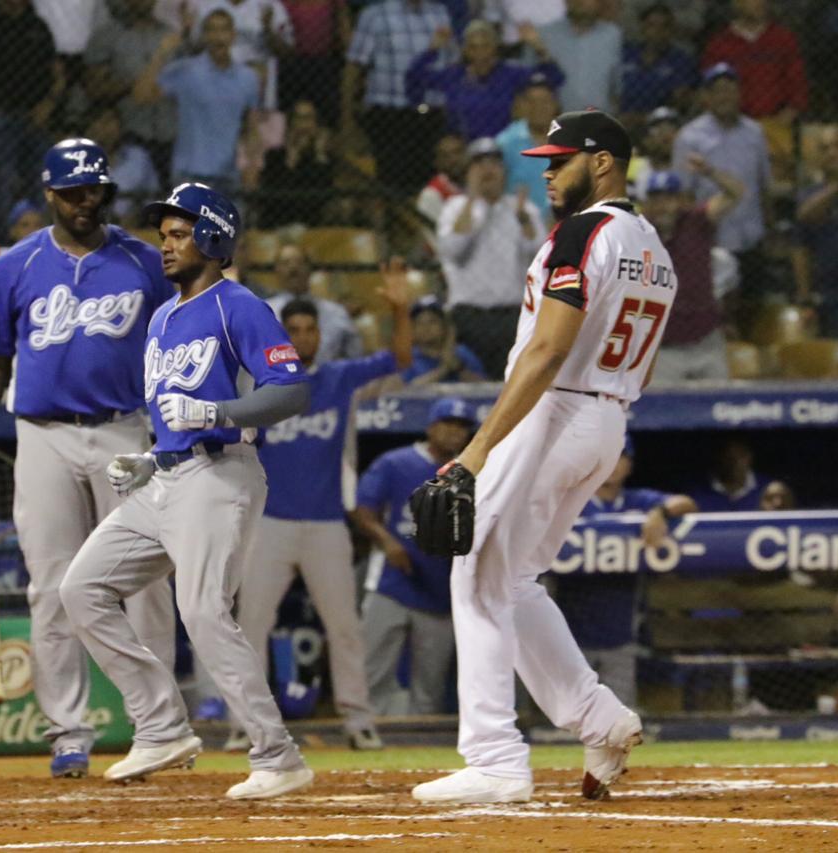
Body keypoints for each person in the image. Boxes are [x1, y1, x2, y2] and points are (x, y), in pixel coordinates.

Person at [411, 110, 675, 805]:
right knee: (515, 578)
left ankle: (495, 756)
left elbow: (548, 347)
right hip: (608, 416)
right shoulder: (653, 244)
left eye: (562, 160)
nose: (548, 171)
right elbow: (641, 371)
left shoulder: (584, 231)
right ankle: (598, 717)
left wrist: (476, 448)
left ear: (605, 163)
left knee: (475, 576)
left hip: (552, 408)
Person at [58, 182, 314, 800]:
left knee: (201, 609)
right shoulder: (162, 319)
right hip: (169, 478)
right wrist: (148, 459)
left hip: (221, 472)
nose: (166, 246)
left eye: (179, 234)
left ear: (213, 237)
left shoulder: (237, 304)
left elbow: (290, 389)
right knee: (82, 588)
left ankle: (277, 754)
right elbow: (175, 415)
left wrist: (218, 414)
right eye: (164, 235)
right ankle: (161, 727)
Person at [0, 139, 176, 780]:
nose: (85, 201)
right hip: (42, 437)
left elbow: (177, 339)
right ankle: (68, 733)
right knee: (50, 586)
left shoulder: (143, 260)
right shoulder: (13, 265)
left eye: (93, 190)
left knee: (145, 584)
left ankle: (158, 727)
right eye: (73, 191)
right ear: (49, 193)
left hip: (124, 431)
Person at [224, 272, 414, 752]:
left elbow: (402, 360)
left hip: (328, 523)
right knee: (250, 627)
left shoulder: (338, 378)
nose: (304, 337)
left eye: (311, 329)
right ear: (281, 336)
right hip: (268, 524)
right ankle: (245, 724)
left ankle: (358, 720)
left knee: (345, 627)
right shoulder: (259, 385)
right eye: (295, 329)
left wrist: (399, 311)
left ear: (319, 336)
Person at [552, 436, 696, 708]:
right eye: (607, 456)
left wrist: (660, 512)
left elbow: (686, 503)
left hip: (619, 635)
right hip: (569, 637)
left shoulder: (638, 501)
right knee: (568, 720)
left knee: (618, 720)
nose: (613, 465)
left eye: (621, 457)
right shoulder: (570, 500)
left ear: (629, 465)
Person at [354, 397, 475, 716]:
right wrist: (387, 542)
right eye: (447, 424)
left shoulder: (471, 472)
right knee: (370, 674)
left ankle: (419, 760)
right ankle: (364, 742)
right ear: (431, 427)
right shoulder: (396, 462)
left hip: (441, 593)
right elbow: (363, 510)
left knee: (430, 691)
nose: (453, 432)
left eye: (461, 427)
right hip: (391, 584)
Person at [671, 64, 773, 336]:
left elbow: (764, 186)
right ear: (706, 96)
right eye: (717, 91)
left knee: (752, 312)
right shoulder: (689, 136)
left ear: (740, 93)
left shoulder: (755, 133)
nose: (724, 96)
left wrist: (771, 231)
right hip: (712, 239)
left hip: (750, 237)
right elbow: (682, 194)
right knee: (716, 315)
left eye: (730, 90)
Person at [437, 136, 543, 379]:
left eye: (494, 163)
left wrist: (523, 220)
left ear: (504, 171)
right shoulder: (455, 207)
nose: (488, 169)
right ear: (468, 171)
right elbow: (452, 249)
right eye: (479, 163)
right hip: (468, 318)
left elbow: (539, 256)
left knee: (508, 388)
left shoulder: (525, 210)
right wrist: (472, 200)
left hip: (512, 317)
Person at [0, 0, 62, 231]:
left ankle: (41, 243)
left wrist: (48, 104)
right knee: (3, 181)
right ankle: (4, 244)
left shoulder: (37, 26)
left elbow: (59, 76)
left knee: (44, 182)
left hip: (35, 119)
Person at [134, 11, 260, 194]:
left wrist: (252, 167)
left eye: (224, 30)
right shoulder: (186, 71)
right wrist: (161, 54)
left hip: (229, 178)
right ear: (204, 36)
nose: (218, 37)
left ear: (233, 35)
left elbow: (252, 128)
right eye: (212, 30)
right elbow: (141, 96)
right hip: (189, 175)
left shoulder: (248, 78)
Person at [342, 0, 455, 199]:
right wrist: (347, 120)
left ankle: (419, 229)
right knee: (390, 184)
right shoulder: (374, 15)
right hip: (389, 114)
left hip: (430, 114)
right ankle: (390, 229)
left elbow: (451, 63)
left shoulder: (440, 13)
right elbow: (354, 67)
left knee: (428, 186)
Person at [643, 168, 744, 382]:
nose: (663, 206)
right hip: (662, 347)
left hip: (706, 340)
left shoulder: (697, 222)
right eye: (657, 199)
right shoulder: (638, 234)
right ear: (647, 204)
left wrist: (710, 171)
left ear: (680, 200)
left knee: (719, 408)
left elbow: (736, 193)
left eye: (669, 198)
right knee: (663, 410)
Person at [405, 20, 562, 142]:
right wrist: (433, 49)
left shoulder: (510, 73)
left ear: (495, 47)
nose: (480, 53)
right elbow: (414, 77)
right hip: (464, 146)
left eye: (485, 46)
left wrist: (538, 47)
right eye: (473, 47)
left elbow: (554, 78)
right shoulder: (454, 75)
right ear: (465, 50)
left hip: (503, 145)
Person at [700, 0, 807, 170]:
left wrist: (784, 118)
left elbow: (797, 86)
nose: (762, 3)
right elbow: (708, 90)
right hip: (732, 125)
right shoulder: (720, 44)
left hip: (774, 122)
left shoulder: (783, 39)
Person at [83, 0, 176, 179]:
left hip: (169, 133)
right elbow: (93, 87)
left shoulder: (169, 35)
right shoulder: (107, 35)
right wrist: (133, 85)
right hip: (130, 134)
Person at [263, 243, 362, 363]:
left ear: (310, 268)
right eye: (286, 263)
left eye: (299, 262)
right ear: (276, 270)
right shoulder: (263, 312)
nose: (293, 268)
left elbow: (355, 356)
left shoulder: (337, 313)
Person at [617, 3, 698, 128]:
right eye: (651, 25)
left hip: (660, 123)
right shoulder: (626, 54)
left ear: (671, 30)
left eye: (664, 26)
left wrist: (644, 118)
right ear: (642, 27)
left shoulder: (680, 60)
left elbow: (679, 102)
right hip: (621, 119)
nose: (657, 32)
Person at [258, 99, 335, 228]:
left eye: (308, 118)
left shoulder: (322, 159)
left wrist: (319, 157)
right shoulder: (274, 156)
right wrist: (290, 161)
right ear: (291, 123)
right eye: (299, 118)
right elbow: (273, 199)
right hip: (278, 224)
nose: (303, 125)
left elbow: (321, 199)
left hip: (311, 226)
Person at [536, 0, 622, 113]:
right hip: (556, 120)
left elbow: (616, 83)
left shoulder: (612, 35)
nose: (581, 2)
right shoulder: (545, 35)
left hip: (599, 119)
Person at [794, 126, 838, 338]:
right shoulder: (809, 195)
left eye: (837, 146)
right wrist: (805, 299)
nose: (832, 153)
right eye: (825, 148)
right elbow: (800, 249)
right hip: (829, 296)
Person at [496, 72, 559, 222]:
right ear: (523, 105)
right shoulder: (505, 142)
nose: (539, 107)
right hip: (517, 226)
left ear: (555, 105)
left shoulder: (569, 142)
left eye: (545, 101)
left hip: (559, 227)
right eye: (532, 102)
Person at [84, 107, 160, 226]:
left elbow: (154, 200)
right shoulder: (80, 162)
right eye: (102, 122)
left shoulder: (138, 158)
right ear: (90, 129)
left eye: (112, 122)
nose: (108, 129)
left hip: (133, 229)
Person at [402, 295, 486, 384]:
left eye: (432, 321)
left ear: (444, 326)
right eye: (419, 323)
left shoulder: (461, 353)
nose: (426, 328)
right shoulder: (406, 358)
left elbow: (484, 386)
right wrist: (444, 369)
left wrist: (458, 367)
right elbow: (407, 389)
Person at [689, 436, 771, 513]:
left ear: (750, 457)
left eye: (740, 456)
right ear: (718, 459)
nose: (735, 463)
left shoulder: (768, 488)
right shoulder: (697, 491)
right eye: (729, 457)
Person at [626, 106, 679, 200]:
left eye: (670, 127)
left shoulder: (688, 167)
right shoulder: (634, 166)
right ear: (647, 139)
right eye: (658, 129)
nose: (665, 133)